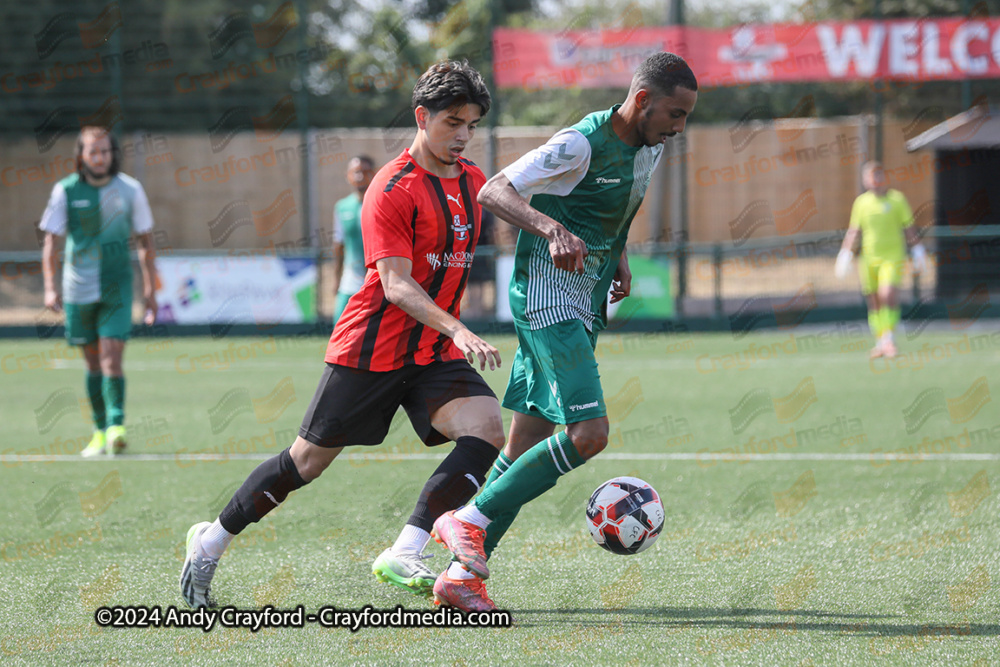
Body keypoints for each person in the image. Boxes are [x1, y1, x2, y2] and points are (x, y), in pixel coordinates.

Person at [181, 61, 507, 611]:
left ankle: (406, 549)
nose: (464, 135)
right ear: (422, 117)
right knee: (305, 463)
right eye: (453, 122)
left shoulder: (474, 180)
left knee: (487, 429)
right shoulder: (391, 186)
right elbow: (396, 285)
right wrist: (459, 327)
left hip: (430, 351)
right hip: (371, 348)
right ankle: (210, 542)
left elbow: (519, 206)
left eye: (472, 124)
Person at [430, 52, 699, 610]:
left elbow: (613, 208)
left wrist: (617, 254)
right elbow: (495, 190)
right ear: (643, 100)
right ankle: (467, 519)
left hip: (585, 295)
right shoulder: (581, 142)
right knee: (589, 434)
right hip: (548, 298)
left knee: (523, 442)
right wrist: (551, 228)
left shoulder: (649, 144)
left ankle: (461, 579)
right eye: (675, 113)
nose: (680, 127)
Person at [40, 126, 158, 457]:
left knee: (112, 356)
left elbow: (145, 243)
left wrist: (150, 290)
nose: (100, 157)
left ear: (113, 154)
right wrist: (50, 288)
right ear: (82, 156)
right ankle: (99, 429)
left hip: (116, 289)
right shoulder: (65, 190)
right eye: (93, 152)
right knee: (93, 364)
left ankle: (117, 427)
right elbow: (51, 242)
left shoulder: (131, 190)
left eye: (105, 151)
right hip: (77, 290)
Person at [835, 161, 927, 358]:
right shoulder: (861, 203)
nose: (876, 180)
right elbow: (854, 231)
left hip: (892, 256)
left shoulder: (897, 200)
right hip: (868, 259)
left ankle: (889, 339)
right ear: (865, 180)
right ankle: (881, 341)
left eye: (879, 175)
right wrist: (845, 254)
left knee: (887, 295)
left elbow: (908, 227)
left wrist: (918, 249)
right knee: (874, 301)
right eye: (871, 176)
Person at [332, 155, 376, 324]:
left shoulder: (381, 202)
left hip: (377, 283)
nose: (359, 176)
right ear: (347, 175)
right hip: (350, 282)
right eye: (356, 172)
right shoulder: (342, 207)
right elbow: (338, 244)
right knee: (339, 330)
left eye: (365, 172)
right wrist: (336, 279)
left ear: (374, 173)